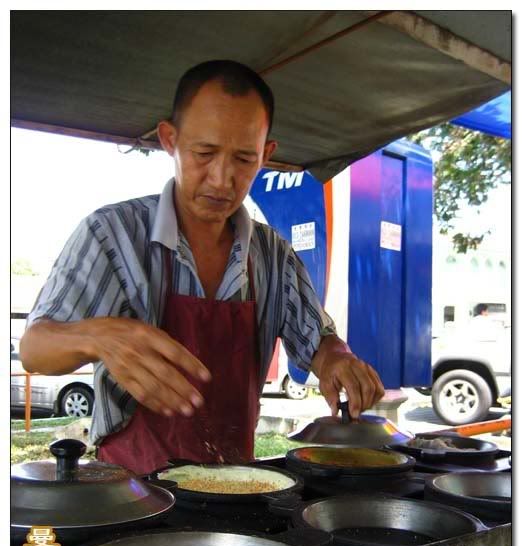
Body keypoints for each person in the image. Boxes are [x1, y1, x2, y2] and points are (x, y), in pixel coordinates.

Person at [20, 60, 384, 475]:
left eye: (244, 159)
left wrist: (338, 359)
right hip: (129, 491)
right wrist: (98, 336)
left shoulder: (272, 254)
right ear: (169, 140)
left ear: (266, 155)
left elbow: (318, 342)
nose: (221, 179)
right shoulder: (111, 235)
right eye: (204, 153)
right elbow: (35, 348)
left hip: (235, 488)